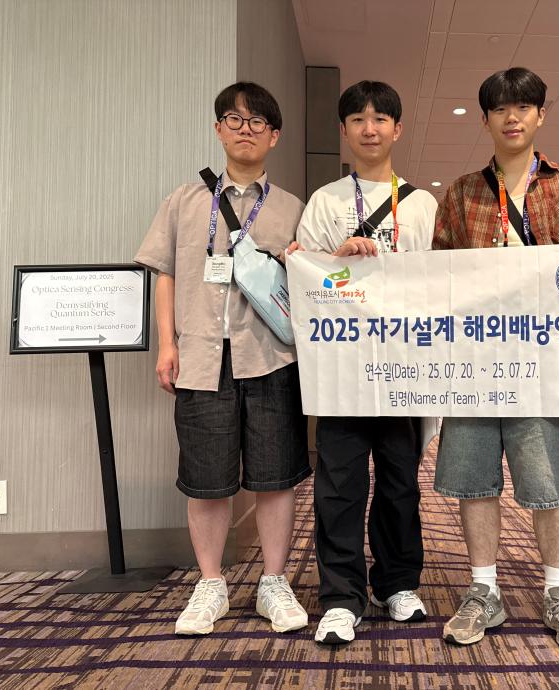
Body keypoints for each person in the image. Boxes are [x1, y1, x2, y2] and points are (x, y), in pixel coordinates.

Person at [432, 67, 559, 651]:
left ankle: (558, 591)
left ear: (540, 115)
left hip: (543, 362)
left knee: (549, 480)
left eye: (524, 107)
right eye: (500, 109)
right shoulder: (461, 193)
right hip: (475, 362)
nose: (512, 117)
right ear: (485, 119)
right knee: (475, 480)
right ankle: (484, 590)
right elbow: (438, 275)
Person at [134, 82, 310, 637]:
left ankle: (274, 582)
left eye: (258, 122)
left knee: (275, 476)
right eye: (234, 119)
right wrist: (167, 344)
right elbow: (165, 274)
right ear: (218, 129)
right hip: (201, 357)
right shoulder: (184, 201)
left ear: (274, 136)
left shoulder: (291, 208)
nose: (245, 129)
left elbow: (311, 284)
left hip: (272, 358)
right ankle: (210, 584)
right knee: (206, 479)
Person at [296, 80, 437, 645]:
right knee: (339, 486)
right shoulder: (325, 201)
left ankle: (397, 583)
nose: (370, 128)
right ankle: (340, 595)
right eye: (358, 119)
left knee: (401, 483)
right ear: (344, 130)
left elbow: (437, 284)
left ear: (398, 129)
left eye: (381, 119)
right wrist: (339, 259)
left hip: (403, 366)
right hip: (343, 368)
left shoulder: (422, 204)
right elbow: (308, 282)